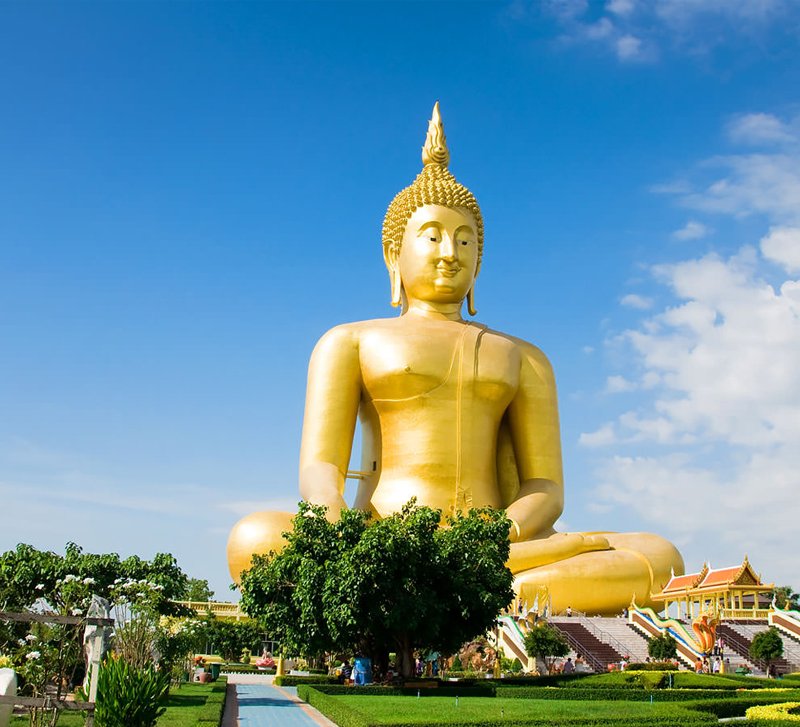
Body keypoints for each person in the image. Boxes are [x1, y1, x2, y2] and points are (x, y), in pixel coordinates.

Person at [226, 103, 684, 615]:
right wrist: (339, 533)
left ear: (479, 261)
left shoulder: (523, 356)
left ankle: (449, 592)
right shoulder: (349, 341)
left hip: (496, 546)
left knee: (659, 556)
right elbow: (320, 469)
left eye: (465, 241)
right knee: (253, 539)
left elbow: (546, 488)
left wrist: (493, 537)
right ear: (393, 255)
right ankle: (480, 599)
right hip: (381, 544)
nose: (450, 252)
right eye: (432, 237)